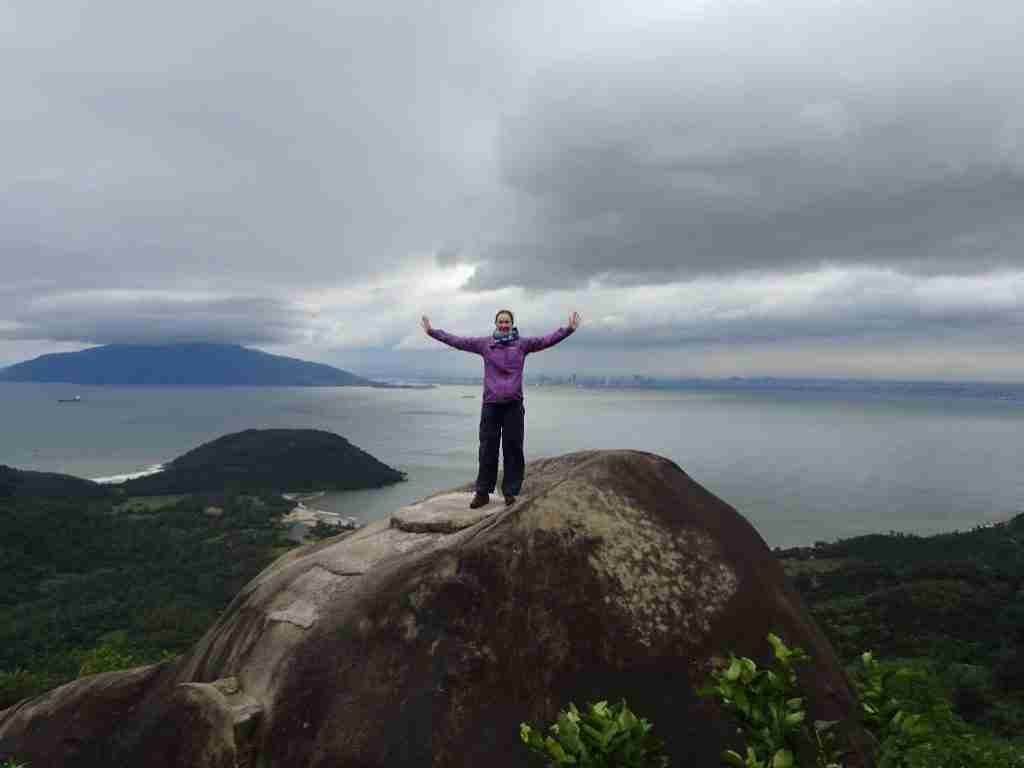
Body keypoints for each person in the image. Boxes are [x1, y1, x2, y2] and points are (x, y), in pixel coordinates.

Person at [421, 309, 581, 508]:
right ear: (496, 323)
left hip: (513, 404)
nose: (504, 325)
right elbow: (458, 341)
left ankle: (510, 492)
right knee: (487, 448)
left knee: (513, 448)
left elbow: (546, 340)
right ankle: (482, 492)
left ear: (512, 324)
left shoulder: (522, 345)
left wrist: (568, 330)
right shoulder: (485, 345)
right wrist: (432, 332)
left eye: (507, 322)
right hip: (491, 404)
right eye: (501, 322)